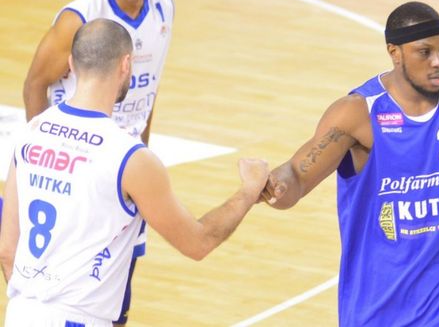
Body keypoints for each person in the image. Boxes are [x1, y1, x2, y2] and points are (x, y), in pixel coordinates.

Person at [262, 1, 439, 326]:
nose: (438, 62)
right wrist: (273, 186)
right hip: (380, 300)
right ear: (394, 52)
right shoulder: (358, 114)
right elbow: (296, 175)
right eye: (425, 52)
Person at [0, 19, 268, 326]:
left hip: (20, 312)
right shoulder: (129, 156)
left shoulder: (31, 132)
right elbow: (198, 242)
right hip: (77, 318)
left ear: (71, 64)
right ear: (126, 65)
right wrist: (249, 190)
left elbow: (7, 250)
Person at [21, 0, 173, 325]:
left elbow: (149, 90)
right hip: (79, 159)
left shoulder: (164, 10)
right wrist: (42, 150)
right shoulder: (80, 17)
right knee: (73, 278)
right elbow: (35, 83)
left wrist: (141, 153)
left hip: (122, 162)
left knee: (120, 289)